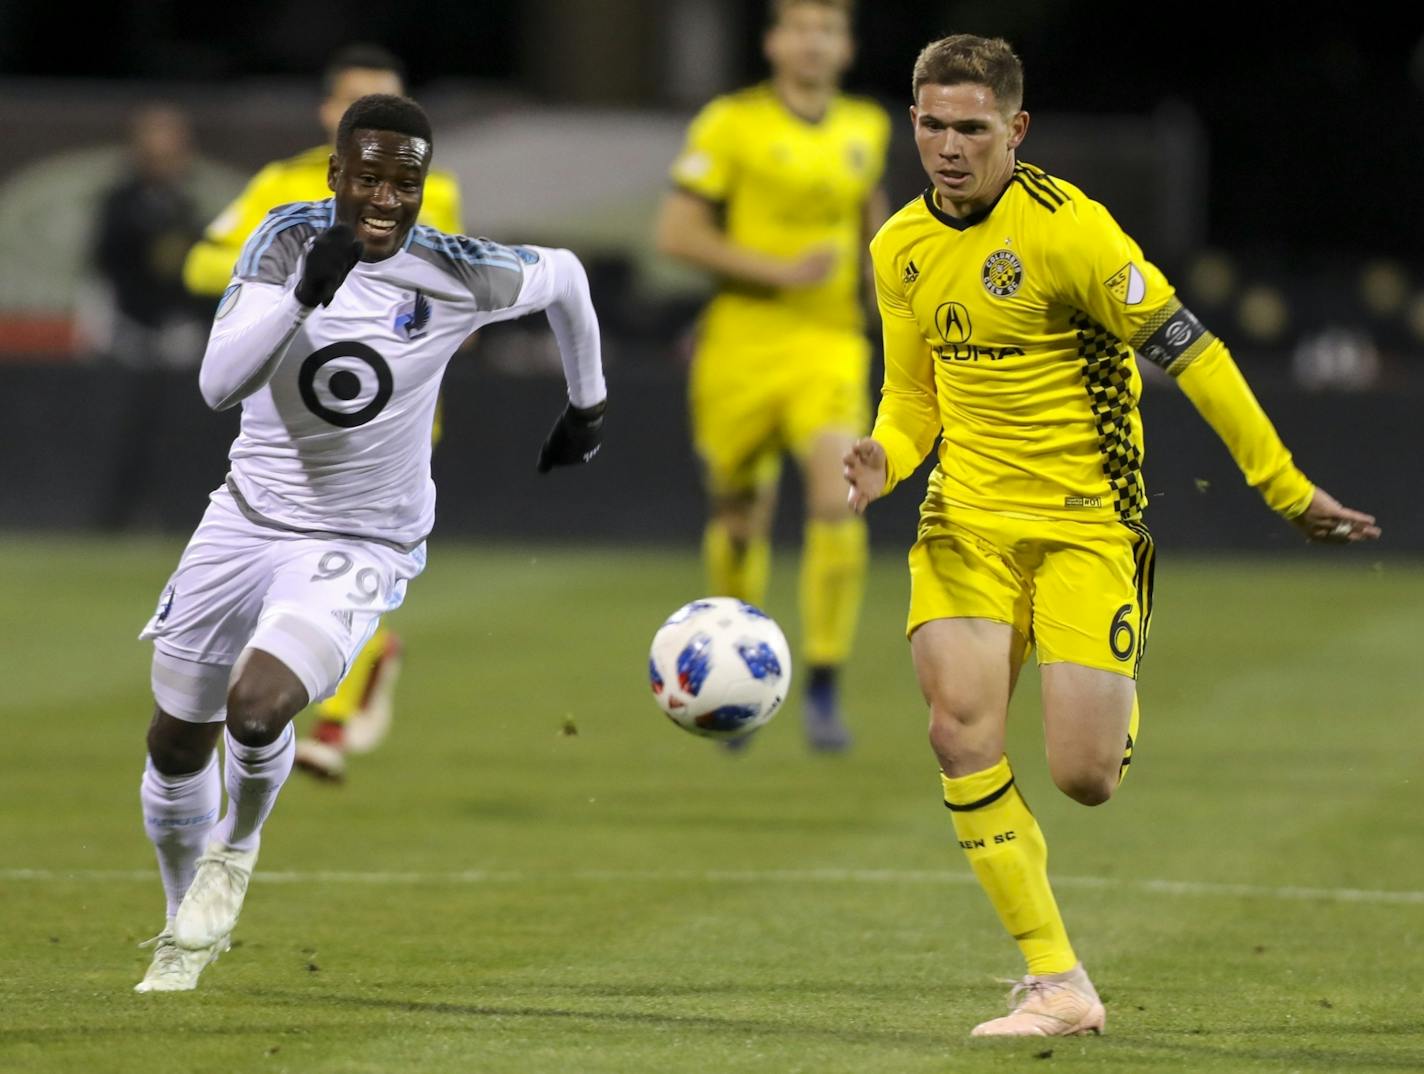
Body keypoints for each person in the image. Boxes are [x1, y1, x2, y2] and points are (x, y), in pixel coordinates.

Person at [842, 34, 1381, 1037]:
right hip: (962, 521)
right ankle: (1056, 983)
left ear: (1016, 128)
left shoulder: (1071, 232)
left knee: (1083, 778)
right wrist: (884, 455)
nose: (948, 147)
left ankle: (1109, 696)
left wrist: (1282, 486)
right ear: (909, 122)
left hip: (1084, 525)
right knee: (956, 733)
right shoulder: (896, 246)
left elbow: (1195, 353)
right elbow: (911, 395)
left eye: (971, 128)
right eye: (930, 125)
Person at [133, 93, 607, 993]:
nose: (386, 200)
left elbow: (570, 279)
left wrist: (588, 406)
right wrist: (309, 289)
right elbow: (217, 384)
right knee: (174, 742)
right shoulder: (283, 241)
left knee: (259, 708)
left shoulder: (458, 270)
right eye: (370, 178)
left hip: (361, 539)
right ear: (336, 177)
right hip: (245, 518)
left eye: (406, 182)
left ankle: (235, 850)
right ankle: (176, 928)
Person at [184, 43, 465, 782]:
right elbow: (203, 263)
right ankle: (349, 673)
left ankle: (333, 727)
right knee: (283, 560)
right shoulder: (279, 187)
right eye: (356, 101)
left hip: (391, 410)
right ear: (327, 113)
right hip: (296, 407)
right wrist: (285, 264)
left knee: (354, 551)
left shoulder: (435, 191)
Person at [654, 0, 890, 752]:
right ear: (773, 42)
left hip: (829, 344)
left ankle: (822, 686)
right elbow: (677, 233)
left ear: (847, 46)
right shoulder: (731, 123)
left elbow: (872, 227)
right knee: (738, 517)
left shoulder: (867, 128)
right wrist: (779, 270)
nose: (814, 41)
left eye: (829, 28)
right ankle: (731, 681)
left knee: (837, 497)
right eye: (800, 26)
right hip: (741, 345)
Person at [87, 104, 213, 530]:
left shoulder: (186, 206)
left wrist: (191, 320)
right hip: (129, 332)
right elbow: (107, 264)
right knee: (123, 428)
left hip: (177, 337)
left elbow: (195, 270)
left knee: (175, 432)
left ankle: (171, 513)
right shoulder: (120, 204)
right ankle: (114, 517)